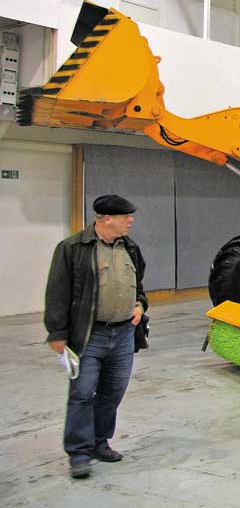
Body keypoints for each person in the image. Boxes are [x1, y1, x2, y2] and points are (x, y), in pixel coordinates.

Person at [44, 194, 148, 479]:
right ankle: (79, 453)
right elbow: (57, 292)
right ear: (106, 219)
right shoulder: (72, 248)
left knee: (112, 392)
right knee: (82, 394)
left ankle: (100, 442)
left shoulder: (130, 247)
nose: (131, 220)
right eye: (126, 216)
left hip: (124, 334)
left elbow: (139, 285)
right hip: (90, 335)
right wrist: (57, 332)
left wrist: (140, 304)